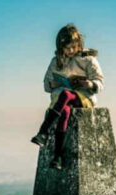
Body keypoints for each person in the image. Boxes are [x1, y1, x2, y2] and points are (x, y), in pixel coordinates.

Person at [31, 24, 104, 170]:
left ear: (79, 45)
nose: (71, 51)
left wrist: (89, 84)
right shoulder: (56, 61)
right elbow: (46, 84)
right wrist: (53, 83)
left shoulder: (88, 59)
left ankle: (43, 132)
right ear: (61, 47)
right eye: (67, 48)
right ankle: (57, 158)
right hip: (62, 101)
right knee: (64, 111)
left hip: (83, 98)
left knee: (65, 94)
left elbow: (100, 83)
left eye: (74, 47)